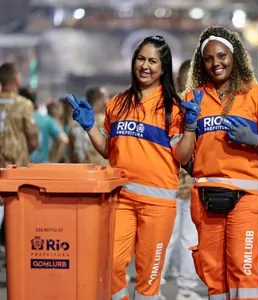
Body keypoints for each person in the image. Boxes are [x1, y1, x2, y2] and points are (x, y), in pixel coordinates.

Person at [65, 35, 202, 300]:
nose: (145, 66)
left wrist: (190, 127)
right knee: (110, 265)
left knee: (148, 277)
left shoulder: (173, 109)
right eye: (141, 59)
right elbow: (108, 150)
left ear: (163, 68)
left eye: (153, 61)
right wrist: (91, 126)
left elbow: (184, 156)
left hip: (158, 205)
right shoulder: (116, 104)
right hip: (121, 201)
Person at [184, 27, 258, 300]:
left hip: (246, 196)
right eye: (208, 58)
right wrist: (189, 128)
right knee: (213, 273)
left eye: (222, 55)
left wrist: (253, 139)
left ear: (235, 56)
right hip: (205, 195)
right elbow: (181, 155)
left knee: (243, 268)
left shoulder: (256, 94)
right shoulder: (192, 98)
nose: (216, 63)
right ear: (201, 63)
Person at [160, 60, 205, 300]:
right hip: (178, 183)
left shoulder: (176, 106)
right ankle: (175, 291)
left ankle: (174, 290)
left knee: (178, 239)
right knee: (178, 239)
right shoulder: (178, 107)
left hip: (184, 183)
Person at [0, 63, 39, 257]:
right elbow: (33, 139)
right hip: (15, 172)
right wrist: (23, 153)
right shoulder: (24, 104)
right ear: (16, 79)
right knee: (15, 218)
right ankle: (14, 259)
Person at [69, 86, 109, 165]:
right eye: (103, 100)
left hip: (80, 169)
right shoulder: (104, 121)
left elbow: (72, 150)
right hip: (99, 169)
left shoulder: (74, 123)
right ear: (98, 101)